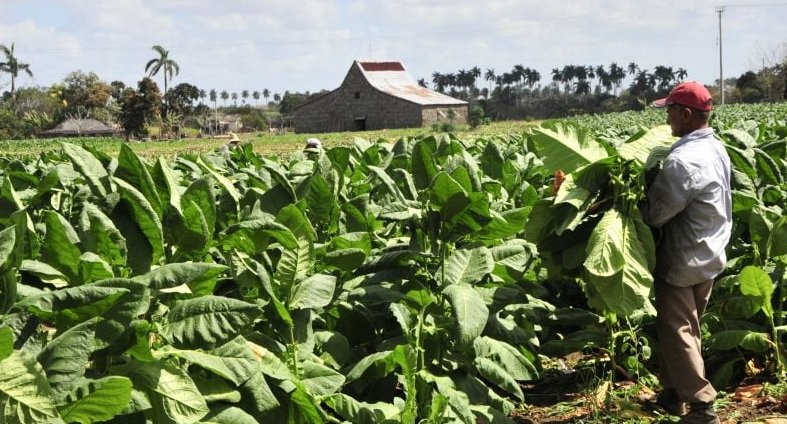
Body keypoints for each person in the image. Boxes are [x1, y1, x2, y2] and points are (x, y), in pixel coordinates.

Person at [642, 81, 732, 424]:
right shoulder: (715, 148)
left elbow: (657, 212)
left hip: (683, 256)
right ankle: (671, 394)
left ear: (687, 113)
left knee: (678, 330)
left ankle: (701, 406)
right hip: (710, 250)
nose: (667, 119)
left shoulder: (682, 160)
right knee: (683, 327)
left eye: (670, 111)